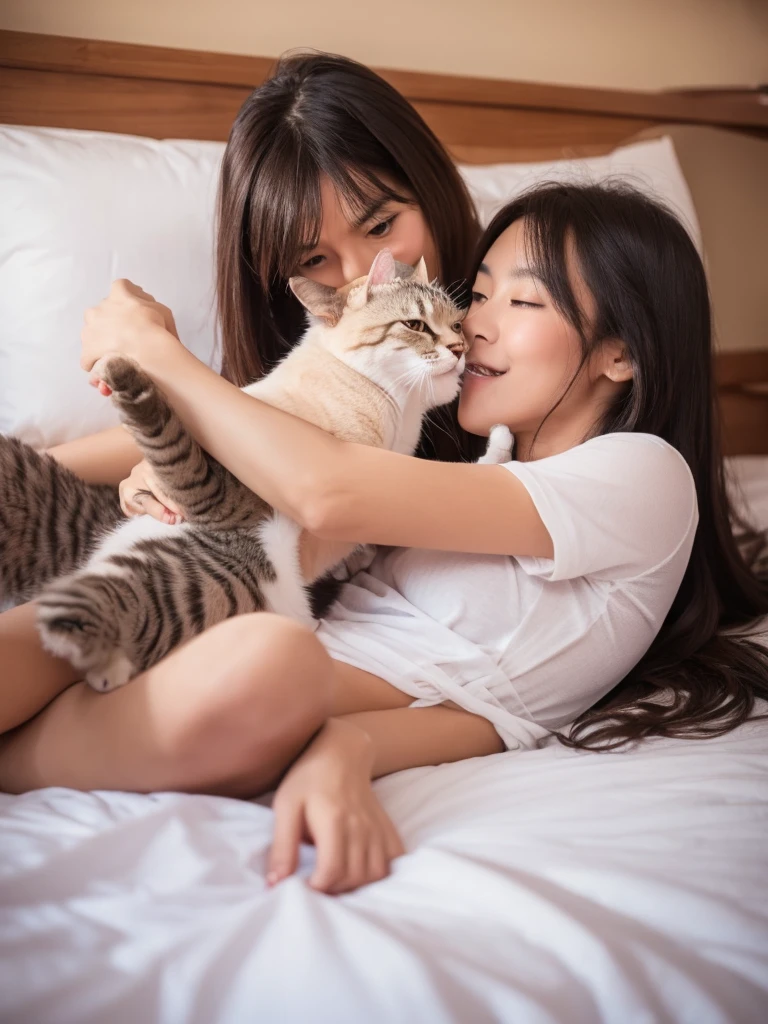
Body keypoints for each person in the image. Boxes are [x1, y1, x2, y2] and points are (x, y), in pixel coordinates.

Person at [2, 69, 767, 898]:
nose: (474, 321)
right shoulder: (487, 451)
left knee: (264, 653)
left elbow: (340, 505)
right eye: (478, 296)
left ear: (621, 350)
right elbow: (272, 433)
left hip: (252, 656)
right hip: (230, 613)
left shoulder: (638, 472)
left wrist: (159, 358)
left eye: (520, 301)